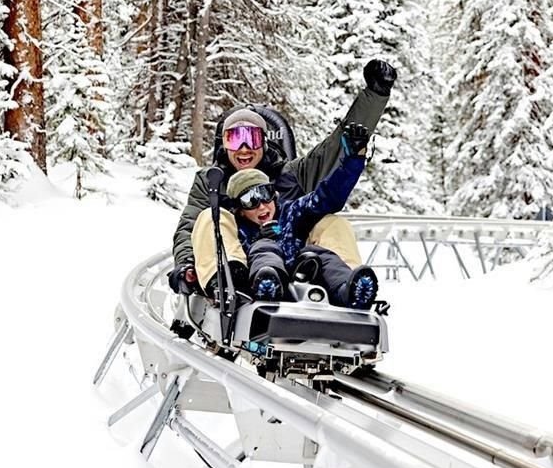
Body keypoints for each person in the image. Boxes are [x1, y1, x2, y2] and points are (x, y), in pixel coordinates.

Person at [168, 59, 397, 296]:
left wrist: (374, 97)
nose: (244, 148)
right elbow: (190, 226)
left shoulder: (290, 176)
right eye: (235, 139)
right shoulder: (212, 182)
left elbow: (334, 151)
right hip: (238, 267)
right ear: (224, 144)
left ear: (264, 142)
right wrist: (185, 264)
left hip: (294, 266)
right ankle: (226, 281)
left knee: (333, 222)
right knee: (211, 217)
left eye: (253, 138)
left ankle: (348, 289)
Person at [223, 123, 379, 308]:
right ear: (240, 210)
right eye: (250, 200)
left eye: (264, 194)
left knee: (319, 255)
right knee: (264, 248)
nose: (261, 206)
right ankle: (269, 286)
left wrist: (353, 159)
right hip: (263, 282)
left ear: (274, 195)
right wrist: (259, 239)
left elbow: (327, 196)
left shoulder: (289, 213)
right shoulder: (239, 231)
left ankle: (348, 290)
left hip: (301, 277)